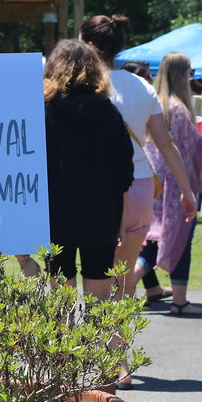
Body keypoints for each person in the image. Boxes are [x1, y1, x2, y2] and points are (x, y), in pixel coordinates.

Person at [78, 15, 198, 302]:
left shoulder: (82, 87)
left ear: (90, 46)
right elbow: (166, 143)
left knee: (95, 276)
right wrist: (186, 190)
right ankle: (114, 345)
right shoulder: (142, 86)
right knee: (123, 279)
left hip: (94, 188)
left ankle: (90, 343)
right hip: (140, 185)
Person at [131, 52, 202, 315]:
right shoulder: (178, 108)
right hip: (177, 184)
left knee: (153, 240)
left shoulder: (153, 104)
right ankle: (171, 298)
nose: (192, 77)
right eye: (190, 72)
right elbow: (190, 150)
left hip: (153, 181)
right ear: (181, 74)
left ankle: (172, 297)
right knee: (176, 240)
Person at [43, 39, 133, 301]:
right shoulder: (111, 114)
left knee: (61, 308)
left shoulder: (44, 113)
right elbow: (125, 172)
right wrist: (122, 222)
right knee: (100, 304)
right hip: (101, 216)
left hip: (55, 217)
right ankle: (100, 345)